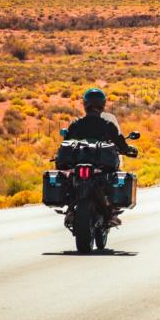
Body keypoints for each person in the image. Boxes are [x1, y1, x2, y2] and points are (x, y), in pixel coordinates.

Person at [63, 88, 137, 226]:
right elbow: (120, 143)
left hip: (78, 164)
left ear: (85, 104)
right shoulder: (108, 125)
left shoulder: (76, 124)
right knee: (113, 177)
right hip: (99, 166)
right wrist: (128, 150)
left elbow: (65, 142)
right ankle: (111, 211)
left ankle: (70, 211)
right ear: (102, 105)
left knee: (69, 177)